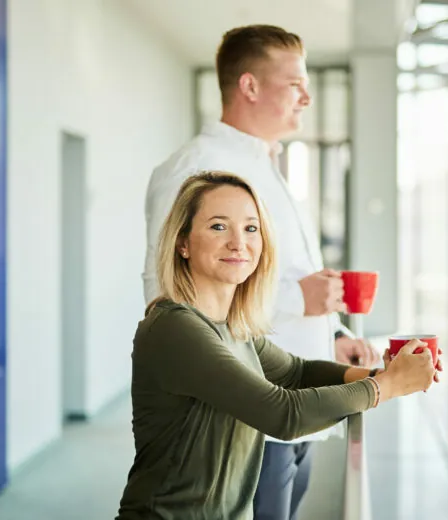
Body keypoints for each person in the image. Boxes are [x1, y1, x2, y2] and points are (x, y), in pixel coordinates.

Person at [144, 24, 419, 519]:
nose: (307, 98)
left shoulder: (265, 166)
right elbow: (174, 292)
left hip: (291, 396)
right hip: (249, 421)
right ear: (249, 86)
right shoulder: (198, 168)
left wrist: (330, 334)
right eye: (295, 84)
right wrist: (301, 302)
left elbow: (279, 282)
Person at [117, 172, 437, 520]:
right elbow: (283, 414)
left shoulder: (232, 327)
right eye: (218, 226)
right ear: (183, 243)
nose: (239, 243)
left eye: (251, 228)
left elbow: (297, 372)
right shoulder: (175, 327)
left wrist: (383, 372)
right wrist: (387, 386)